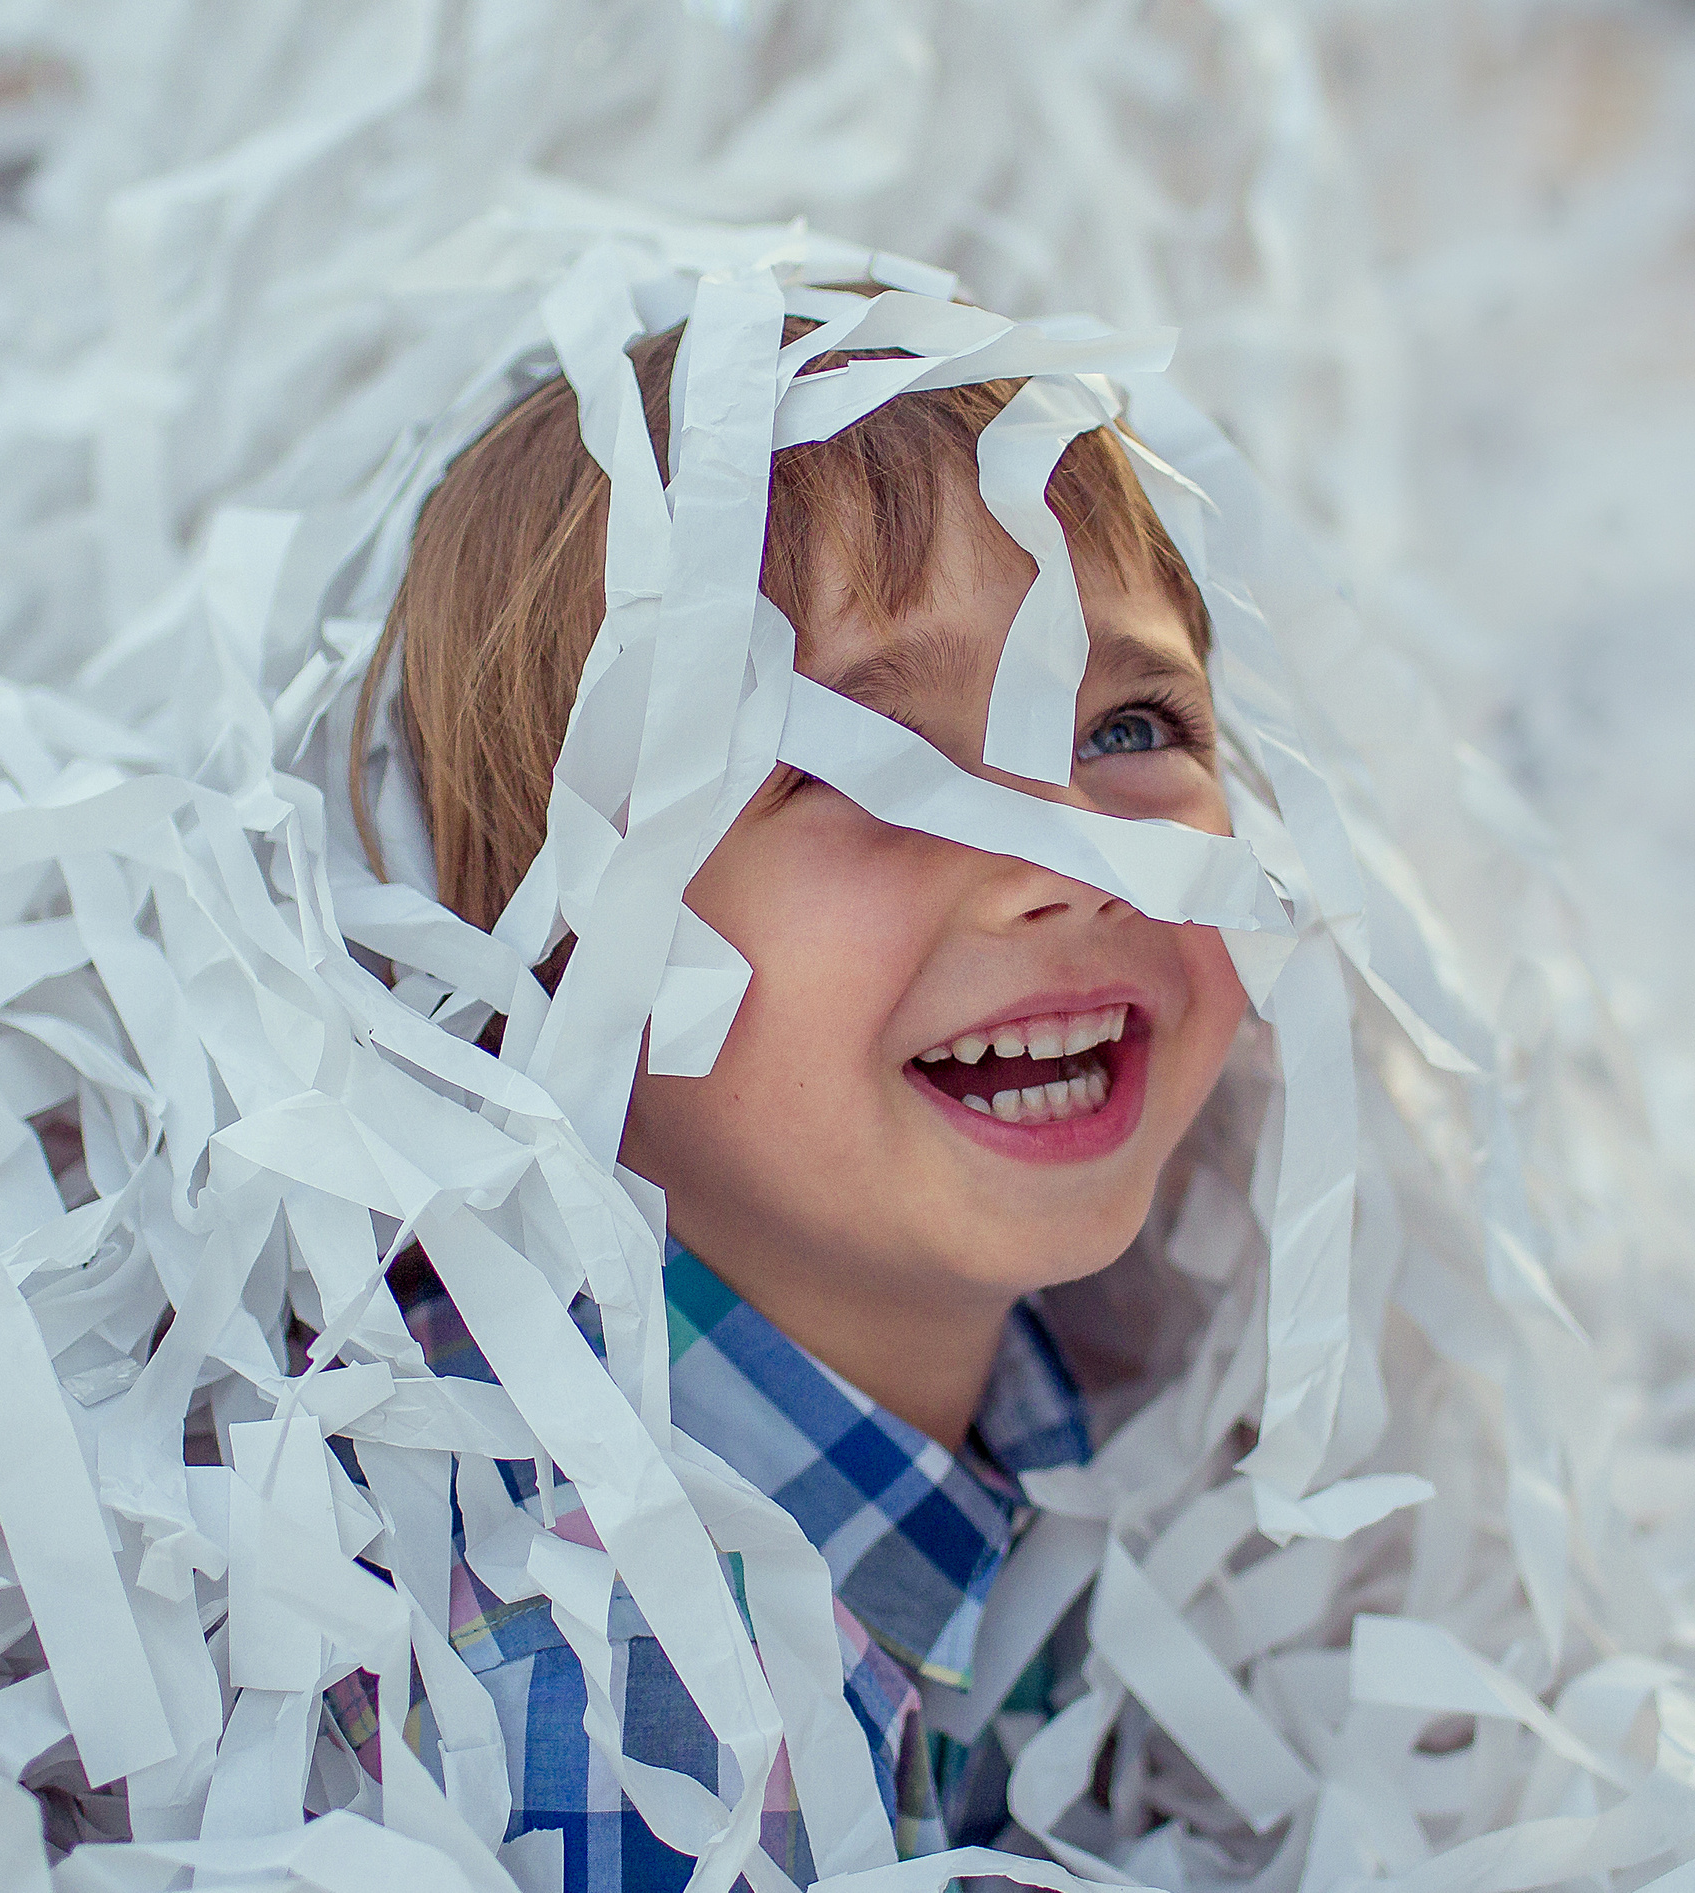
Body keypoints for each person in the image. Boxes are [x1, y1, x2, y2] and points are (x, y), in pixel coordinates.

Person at [327, 304, 1251, 1889]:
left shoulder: (1050, 1390)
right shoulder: (620, 1705)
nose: (1072, 862)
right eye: (867, 770)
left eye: (1126, 726)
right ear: (553, 948)